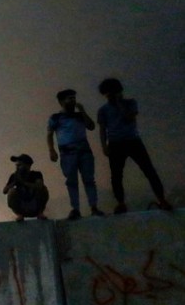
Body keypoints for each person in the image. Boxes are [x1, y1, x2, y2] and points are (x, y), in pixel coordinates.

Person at [97, 78, 173, 214]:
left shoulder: (130, 103)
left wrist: (120, 103)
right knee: (116, 176)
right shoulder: (103, 110)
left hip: (133, 141)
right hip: (115, 144)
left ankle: (162, 200)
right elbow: (102, 129)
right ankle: (120, 203)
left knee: (149, 171)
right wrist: (104, 146)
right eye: (107, 94)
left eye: (111, 93)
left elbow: (129, 118)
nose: (109, 97)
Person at [47, 89, 104, 220]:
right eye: (69, 98)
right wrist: (51, 150)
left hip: (84, 151)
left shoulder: (79, 116)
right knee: (71, 181)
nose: (73, 100)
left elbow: (91, 126)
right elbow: (49, 135)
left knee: (89, 179)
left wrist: (83, 111)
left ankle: (94, 207)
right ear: (61, 101)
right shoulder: (55, 118)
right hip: (67, 153)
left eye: (73, 98)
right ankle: (75, 209)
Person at [3, 154, 49, 221]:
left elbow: (39, 186)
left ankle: (40, 213)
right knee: (11, 192)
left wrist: (23, 182)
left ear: (27, 165)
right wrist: (14, 182)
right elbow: (5, 191)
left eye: (20, 165)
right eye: (17, 165)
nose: (17, 167)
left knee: (43, 189)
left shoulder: (36, 174)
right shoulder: (14, 176)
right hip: (22, 206)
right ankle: (19, 215)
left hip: (35, 205)